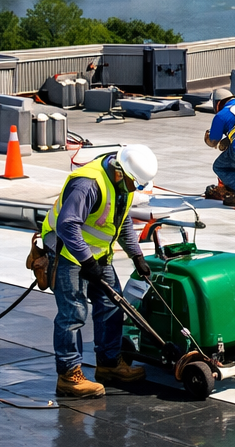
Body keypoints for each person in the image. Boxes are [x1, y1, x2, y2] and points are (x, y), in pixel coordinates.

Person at [40, 145, 157, 398]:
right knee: (73, 313)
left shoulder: (121, 186)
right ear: (119, 172)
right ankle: (69, 376)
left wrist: (136, 255)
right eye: (134, 183)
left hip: (96, 255)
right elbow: (67, 225)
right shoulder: (88, 184)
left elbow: (122, 220)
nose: (135, 189)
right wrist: (87, 262)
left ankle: (109, 364)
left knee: (112, 305)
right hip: (67, 252)